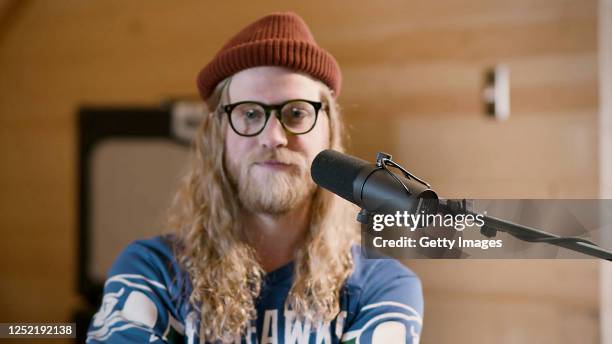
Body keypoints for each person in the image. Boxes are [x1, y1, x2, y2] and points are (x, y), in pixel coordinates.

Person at [86, 12, 423, 344]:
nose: (274, 137)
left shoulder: (384, 290)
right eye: (249, 113)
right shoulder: (150, 275)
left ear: (329, 133)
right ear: (218, 137)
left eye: (296, 113)